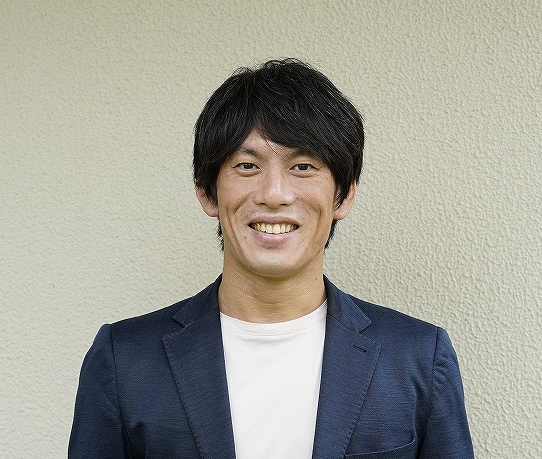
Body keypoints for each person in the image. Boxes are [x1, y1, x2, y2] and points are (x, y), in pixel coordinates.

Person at [69, 59, 474, 458]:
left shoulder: (418, 356)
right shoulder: (125, 359)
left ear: (344, 195)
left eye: (303, 166)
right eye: (247, 166)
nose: (274, 194)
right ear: (207, 192)